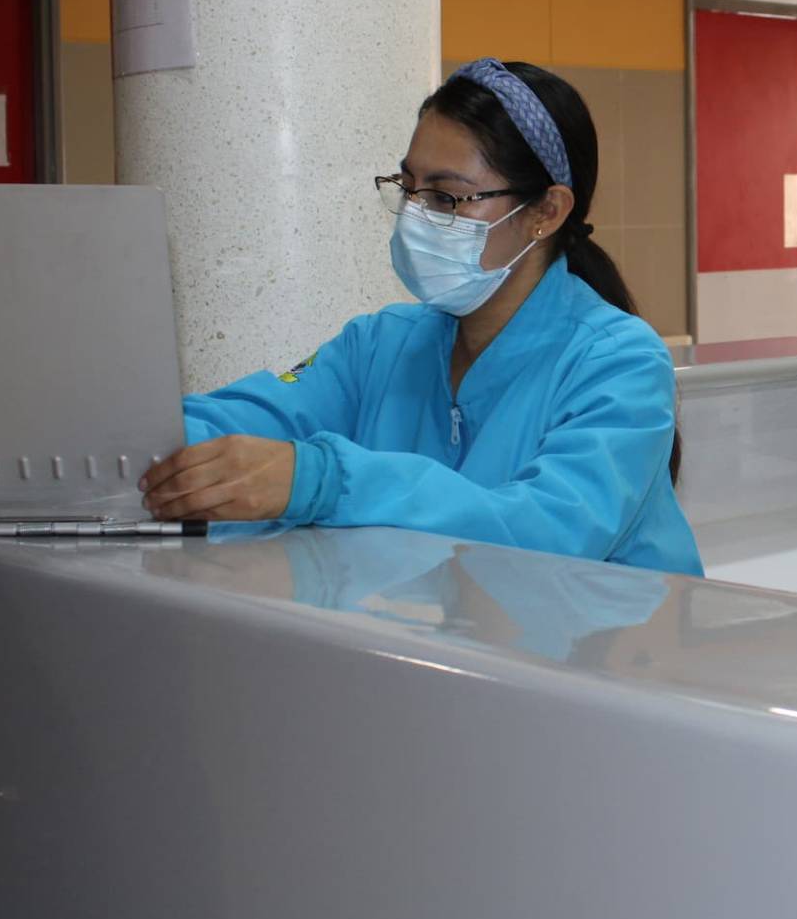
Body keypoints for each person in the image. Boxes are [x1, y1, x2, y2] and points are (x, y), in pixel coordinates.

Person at [137, 59, 702, 576]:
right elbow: (246, 420)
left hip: (597, 671)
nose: (414, 216)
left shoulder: (618, 362)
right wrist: (137, 440)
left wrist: (328, 480)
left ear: (546, 213)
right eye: (408, 187)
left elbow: (548, 533)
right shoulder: (380, 345)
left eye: (446, 197)